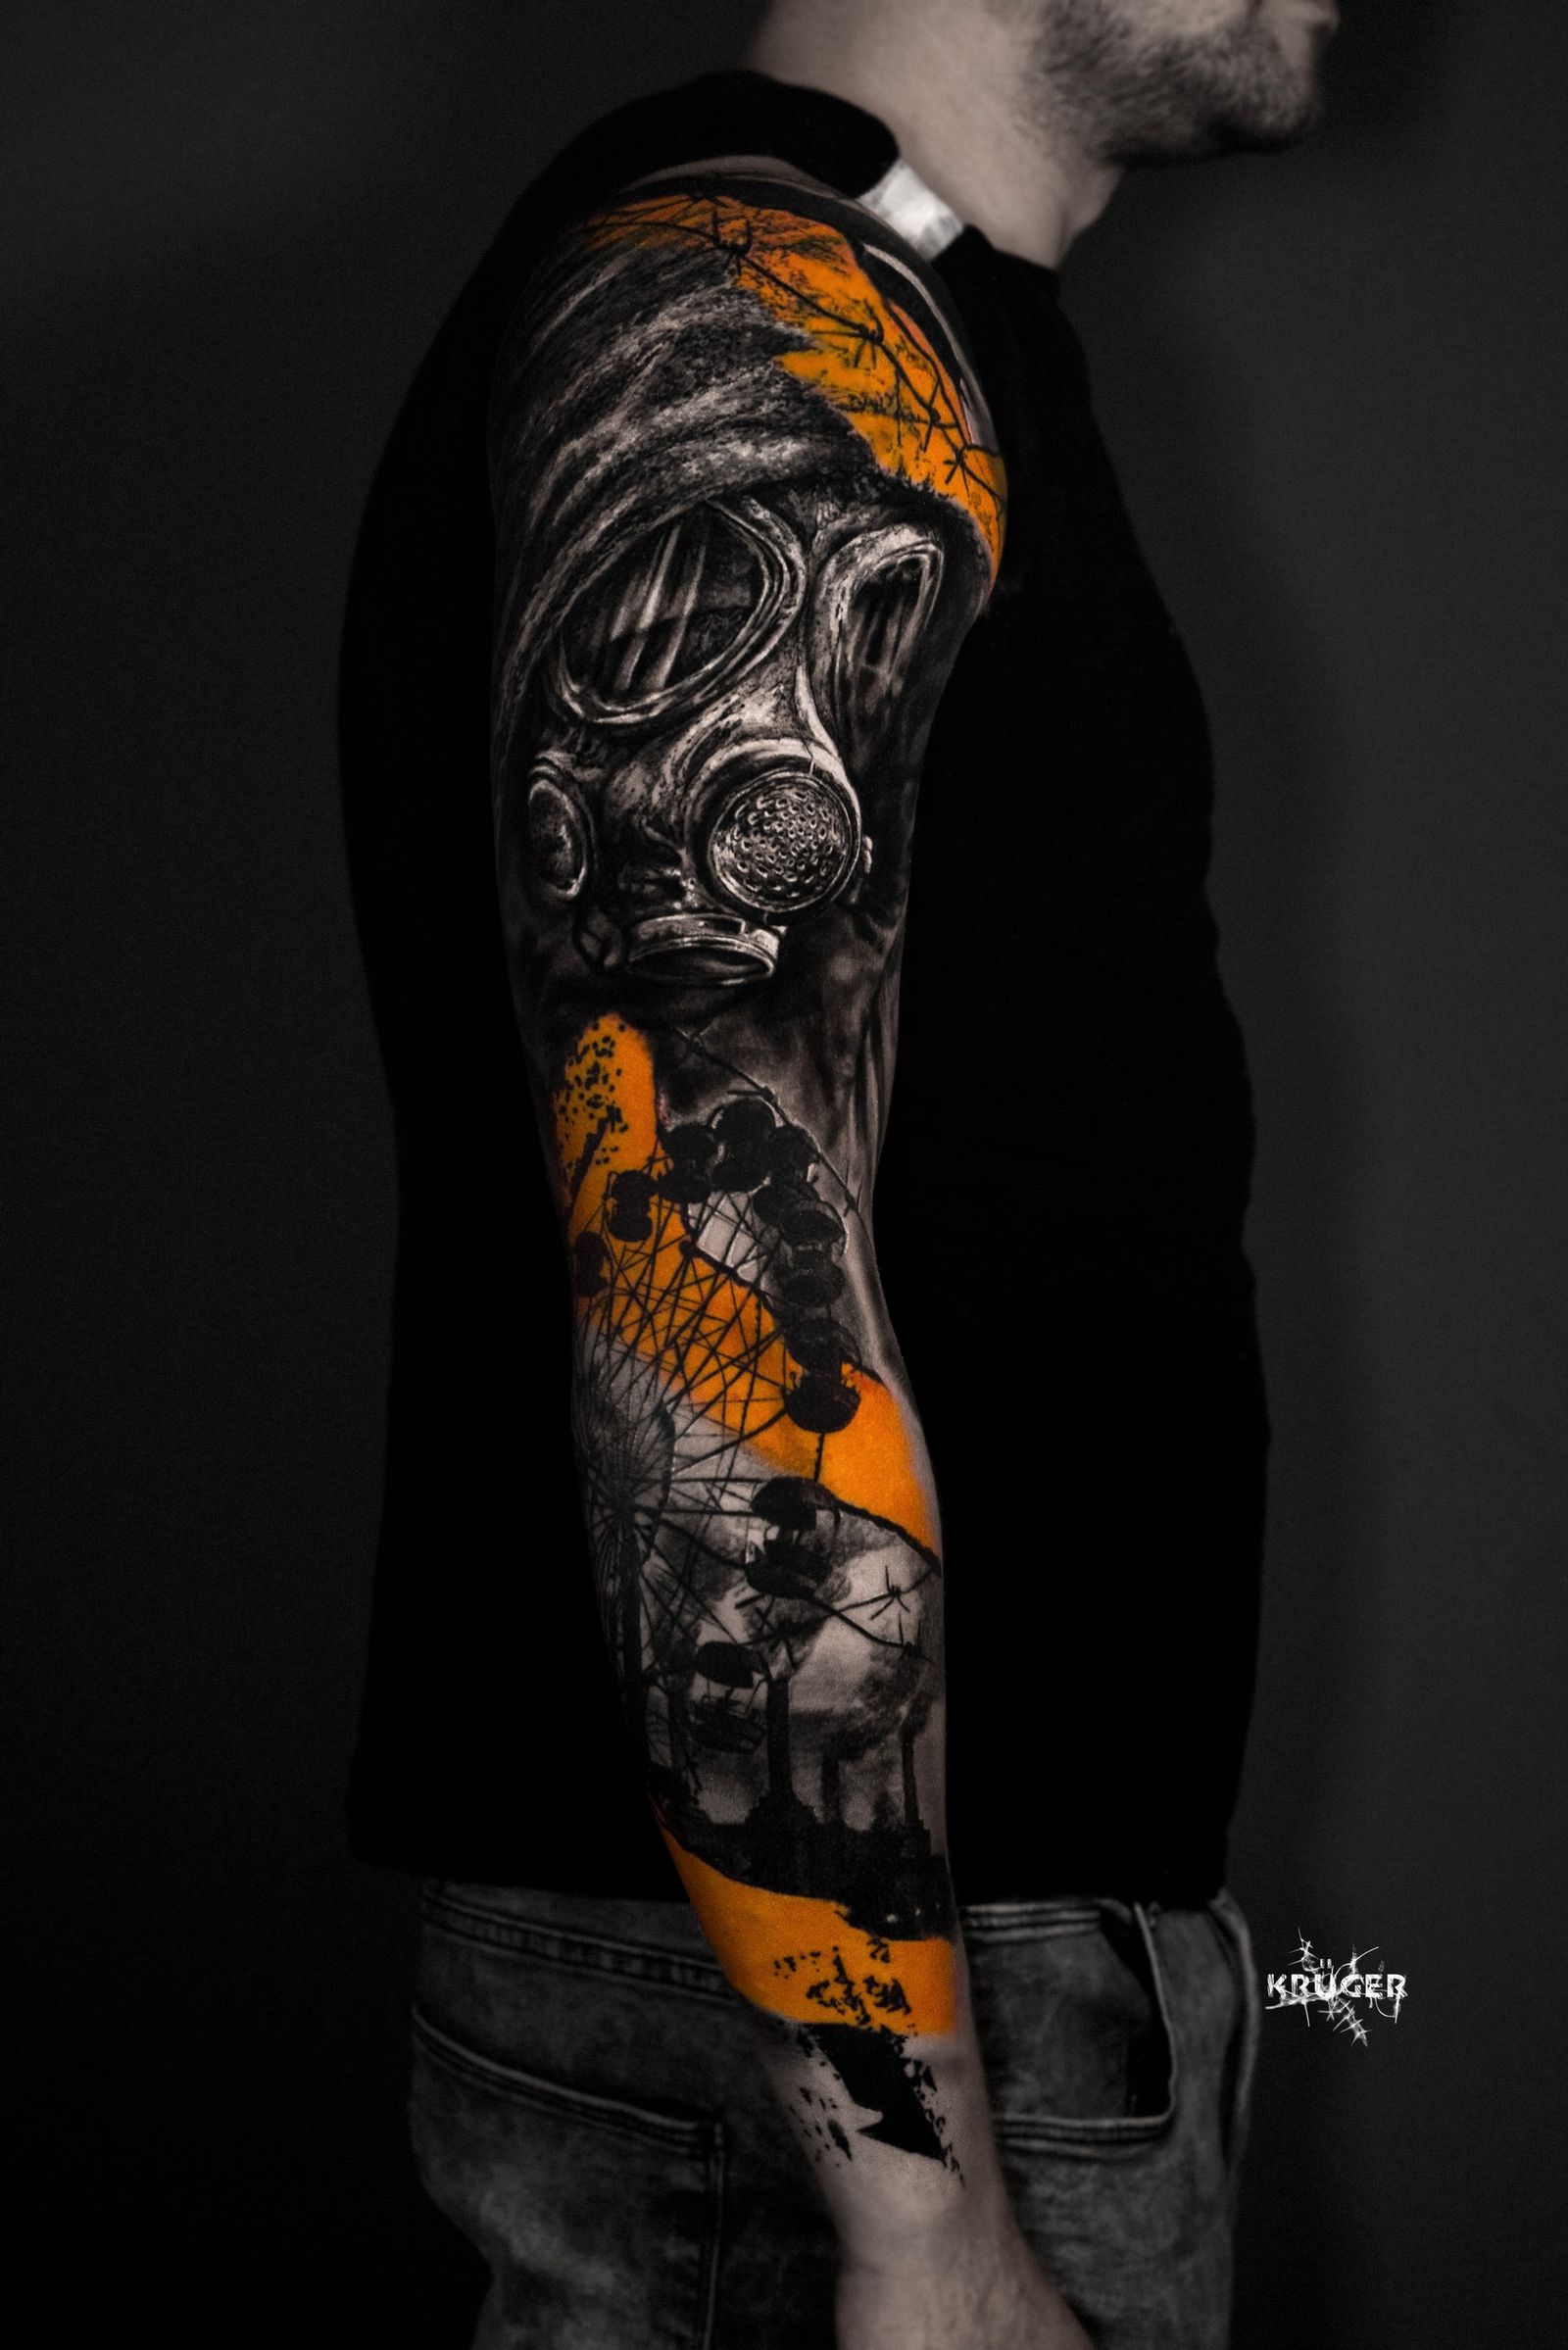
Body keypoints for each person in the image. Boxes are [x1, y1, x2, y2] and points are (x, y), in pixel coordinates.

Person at [338, 2, 1336, 2341]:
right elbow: (705, 1267)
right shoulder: (759, 306)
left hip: (916, 1990)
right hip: (852, 2035)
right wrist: (914, 2202)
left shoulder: (889, 316)